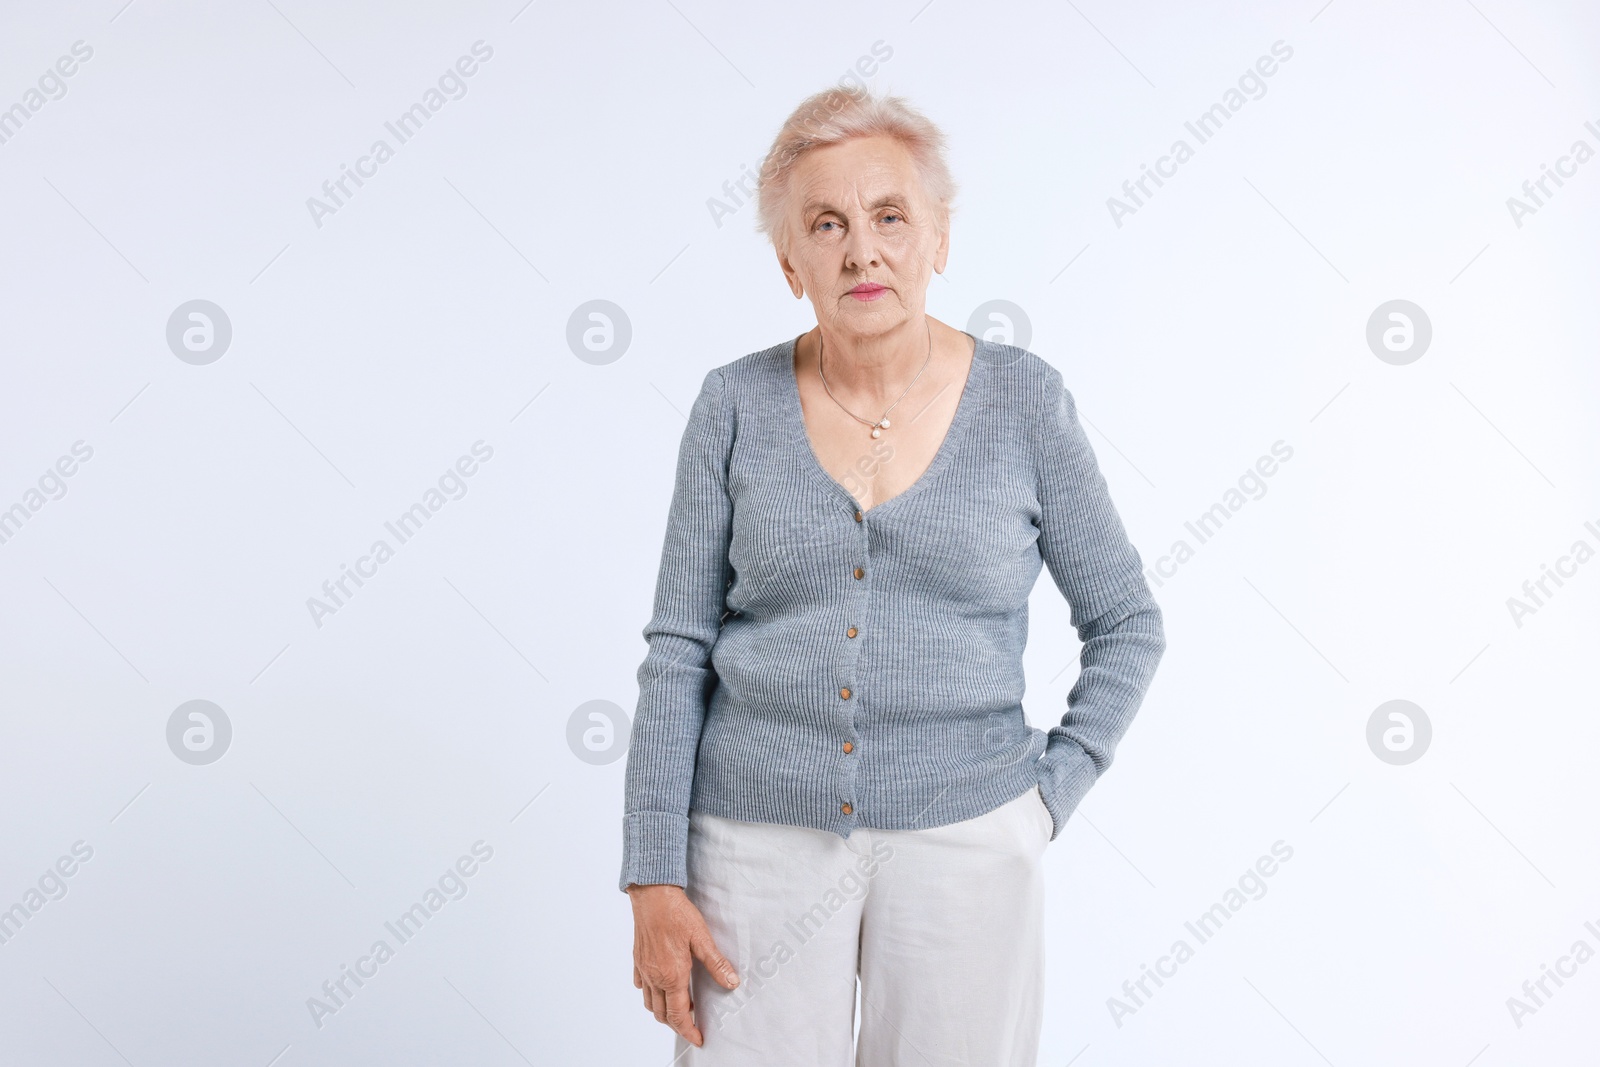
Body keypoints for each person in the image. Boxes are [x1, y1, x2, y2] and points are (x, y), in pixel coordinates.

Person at [620, 85, 1165, 1065]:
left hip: (970, 835)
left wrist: (1044, 799)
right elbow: (678, 649)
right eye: (825, 224)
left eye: (888, 216)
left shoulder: (1024, 405)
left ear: (938, 238)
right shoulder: (732, 406)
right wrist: (653, 874)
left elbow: (1125, 620)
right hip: (753, 841)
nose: (861, 250)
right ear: (791, 261)